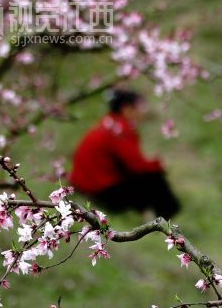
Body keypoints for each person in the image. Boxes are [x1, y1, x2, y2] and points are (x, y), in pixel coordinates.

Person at [69, 89, 181, 218]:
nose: (142, 112)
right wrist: (159, 164)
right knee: (154, 177)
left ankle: (147, 212)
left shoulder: (108, 122)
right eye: (139, 107)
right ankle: (166, 218)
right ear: (127, 109)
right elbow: (137, 166)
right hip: (101, 191)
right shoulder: (120, 130)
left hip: (85, 185)